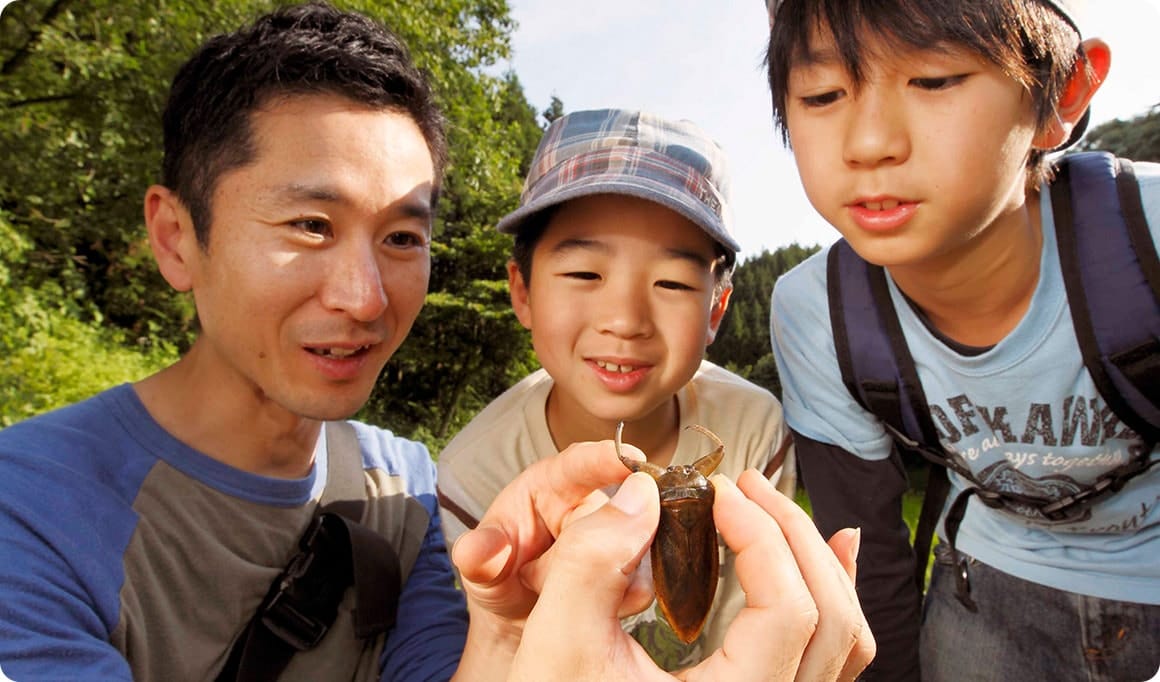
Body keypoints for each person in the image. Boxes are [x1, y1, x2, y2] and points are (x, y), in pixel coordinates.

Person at [0, 3, 876, 680]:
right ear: (174, 236)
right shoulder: (27, 513)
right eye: (310, 225)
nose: (363, 296)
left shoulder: (405, 491)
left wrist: (502, 638)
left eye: (401, 237)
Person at [762, 0, 1160, 680]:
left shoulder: (1145, 235)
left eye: (934, 80)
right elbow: (863, 553)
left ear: (1063, 93)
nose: (869, 143)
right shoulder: (818, 315)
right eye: (823, 95)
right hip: (986, 591)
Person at [436, 107, 798, 670]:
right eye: (585, 273)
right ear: (522, 291)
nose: (625, 321)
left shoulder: (755, 429)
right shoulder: (474, 472)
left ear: (716, 309)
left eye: (672, 282)